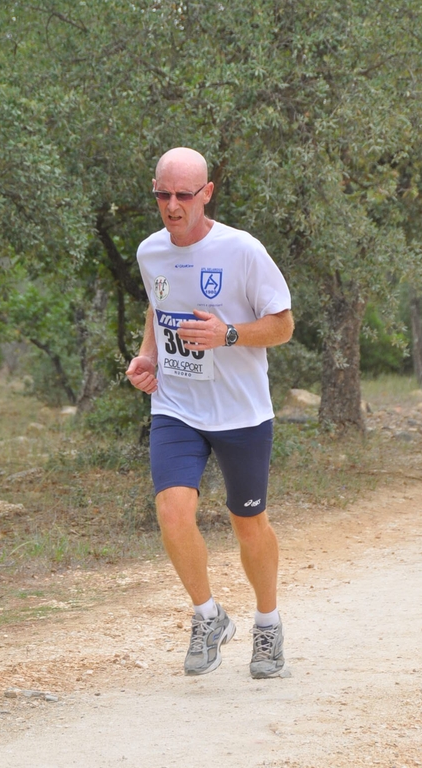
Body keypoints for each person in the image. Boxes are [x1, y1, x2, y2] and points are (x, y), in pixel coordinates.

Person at [126, 147, 294, 679]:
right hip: (176, 405)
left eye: (184, 195)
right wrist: (149, 355)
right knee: (173, 512)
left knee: (249, 524)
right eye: (163, 195)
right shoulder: (150, 251)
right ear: (154, 191)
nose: (172, 206)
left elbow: (284, 325)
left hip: (241, 411)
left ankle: (267, 625)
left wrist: (228, 335)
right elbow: (157, 306)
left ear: (206, 194)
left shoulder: (241, 250)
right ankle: (208, 616)